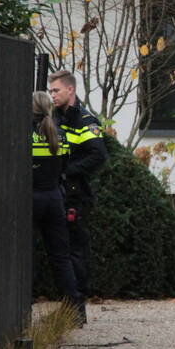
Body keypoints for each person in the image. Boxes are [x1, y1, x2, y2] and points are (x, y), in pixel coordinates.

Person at [48, 70, 108, 324]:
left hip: (75, 195)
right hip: (56, 193)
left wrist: (66, 172)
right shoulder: (54, 118)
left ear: (70, 90)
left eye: (56, 91)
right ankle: (67, 304)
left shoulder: (84, 120)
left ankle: (77, 308)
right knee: (59, 252)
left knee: (75, 251)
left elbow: (98, 156)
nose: (52, 95)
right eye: (50, 91)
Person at [31, 91, 84, 314]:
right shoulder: (60, 135)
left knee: (27, 255)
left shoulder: (27, 135)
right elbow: (64, 169)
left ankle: (24, 308)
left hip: (32, 199)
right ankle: (75, 311)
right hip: (54, 199)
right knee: (61, 257)